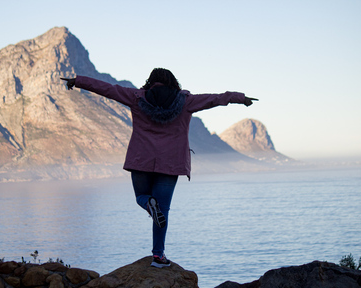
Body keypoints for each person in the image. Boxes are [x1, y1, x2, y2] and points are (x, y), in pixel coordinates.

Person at [61, 68, 257, 268]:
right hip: (169, 164)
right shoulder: (186, 101)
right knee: (162, 211)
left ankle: (148, 204)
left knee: (141, 197)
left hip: (141, 160)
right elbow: (215, 99)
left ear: (150, 81)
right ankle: (158, 256)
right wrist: (240, 98)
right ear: (173, 82)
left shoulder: (136, 97)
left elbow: (106, 89)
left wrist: (77, 81)